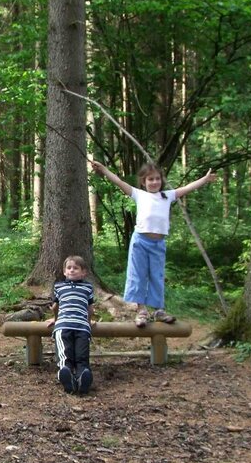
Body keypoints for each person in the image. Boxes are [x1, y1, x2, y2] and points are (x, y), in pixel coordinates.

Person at [91, 161, 216, 327]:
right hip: (140, 242)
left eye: (157, 179)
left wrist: (205, 179)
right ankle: (141, 311)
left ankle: (159, 310)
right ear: (144, 182)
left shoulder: (167, 196)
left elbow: (188, 188)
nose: (155, 182)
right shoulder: (139, 194)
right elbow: (119, 182)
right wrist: (104, 170)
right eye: (151, 179)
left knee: (157, 276)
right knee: (138, 275)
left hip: (158, 244)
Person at [45, 256, 96, 395]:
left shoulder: (88, 287)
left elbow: (90, 309)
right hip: (64, 325)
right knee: (68, 355)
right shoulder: (59, 286)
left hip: (80, 327)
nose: (72, 270)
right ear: (64, 272)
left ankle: (82, 376)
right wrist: (56, 320)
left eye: (76, 268)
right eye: (69, 268)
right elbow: (55, 307)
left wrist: (88, 322)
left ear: (83, 272)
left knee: (79, 356)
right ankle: (69, 375)